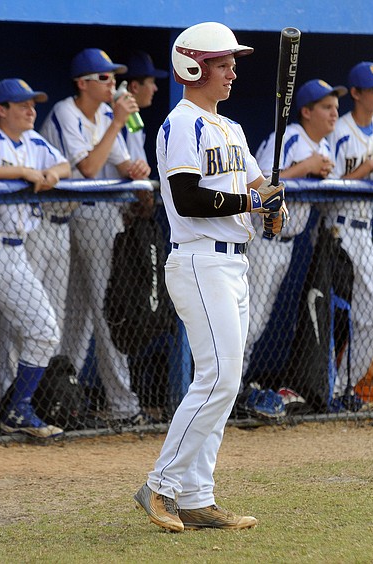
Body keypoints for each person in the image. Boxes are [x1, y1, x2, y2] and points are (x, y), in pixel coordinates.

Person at [133, 21, 285, 532]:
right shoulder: (181, 125)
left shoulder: (233, 129)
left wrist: (272, 205)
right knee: (217, 378)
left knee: (226, 379)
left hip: (233, 261)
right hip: (198, 259)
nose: (232, 71)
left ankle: (197, 496)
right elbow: (186, 199)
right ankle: (161, 486)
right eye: (223, 63)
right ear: (192, 66)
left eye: (232, 62)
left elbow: (260, 185)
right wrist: (252, 200)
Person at [39, 48, 152, 426]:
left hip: (95, 218)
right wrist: (118, 122)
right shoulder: (65, 111)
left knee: (89, 314)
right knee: (52, 315)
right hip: (50, 222)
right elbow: (87, 167)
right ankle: (36, 400)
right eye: (104, 77)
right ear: (82, 83)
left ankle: (70, 400)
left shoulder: (107, 113)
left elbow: (122, 164)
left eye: (112, 76)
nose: (112, 83)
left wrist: (136, 168)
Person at [0, 78, 71, 438]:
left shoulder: (33, 140)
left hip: (16, 252)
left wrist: (51, 174)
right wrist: (23, 172)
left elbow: (65, 166)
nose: (31, 110)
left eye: (33, 104)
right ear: (1, 110)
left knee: (45, 331)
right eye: (22, 104)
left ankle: (18, 409)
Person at [243, 79, 345, 411]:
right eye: (327, 107)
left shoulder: (326, 149)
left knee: (257, 323)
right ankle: (226, 393)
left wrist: (319, 174)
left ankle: (232, 392)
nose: (335, 113)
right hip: (260, 239)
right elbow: (257, 182)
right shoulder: (285, 138)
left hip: (286, 245)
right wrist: (306, 168)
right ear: (306, 111)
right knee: (250, 323)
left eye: (336, 107)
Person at [325, 61, 373, 404]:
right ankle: (330, 389)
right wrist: (367, 168)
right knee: (334, 315)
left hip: (364, 229)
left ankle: (343, 387)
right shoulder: (339, 130)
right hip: (337, 229)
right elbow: (327, 185)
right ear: (355, 93)